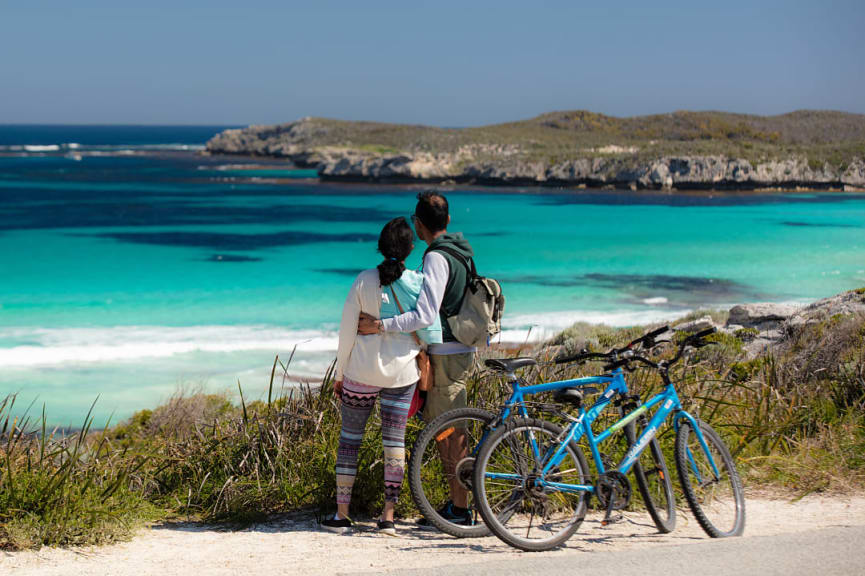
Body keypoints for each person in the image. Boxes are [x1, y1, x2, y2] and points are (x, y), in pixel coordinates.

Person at [358, 191, 476, 527]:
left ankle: (460, 508)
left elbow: (425, 315)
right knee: (451, 428)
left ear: (418, 224)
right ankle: (458, 504)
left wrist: (382, 325)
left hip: (447, 351)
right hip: (460, 348)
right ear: (448, 220)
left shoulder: (437, 258)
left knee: (448, 431)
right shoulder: (461, 252)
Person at [321, 217, 442, 536]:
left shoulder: (363, 280)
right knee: (394, 443)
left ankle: (342, 513)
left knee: (349, 441)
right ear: (410, 248)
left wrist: (341, 373)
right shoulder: (417, 282)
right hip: (402, 374)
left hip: (360, 370)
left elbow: (347, 332)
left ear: (380, 246)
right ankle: (388, 517)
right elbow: (429, 332)